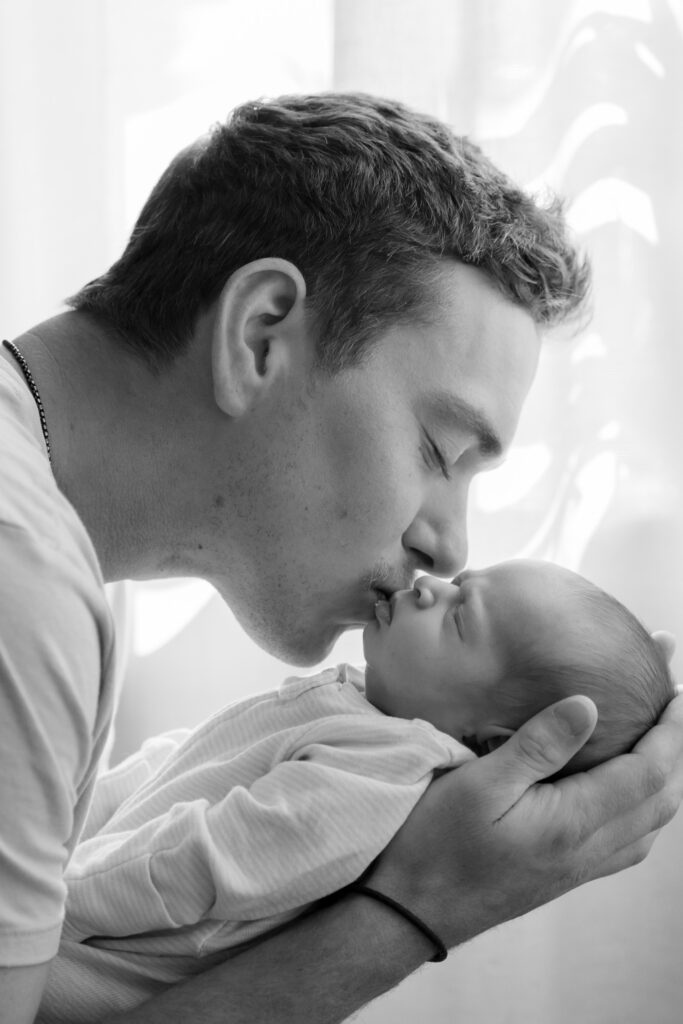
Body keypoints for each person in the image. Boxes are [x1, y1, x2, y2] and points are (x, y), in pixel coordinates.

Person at [1, 91, 682, 1024]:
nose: (449, 543)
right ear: (261, 333)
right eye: (440, 452)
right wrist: (421, 907)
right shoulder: (21, 582)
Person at [37, 558, 675, 1023]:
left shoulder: (380, 777)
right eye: (461, 583)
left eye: (460, 618)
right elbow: (176, 764)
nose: (429, 585)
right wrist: (62, 824)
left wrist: (59, 900)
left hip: (97, 964)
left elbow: (202, 862)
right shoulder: (366, 715)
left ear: (488, 742)